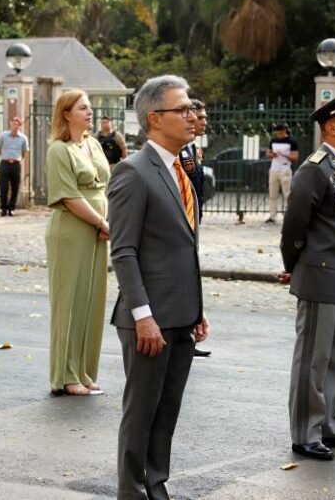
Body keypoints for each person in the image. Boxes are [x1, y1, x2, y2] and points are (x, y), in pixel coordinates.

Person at [108, 74, 210, 500]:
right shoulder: (134, 172)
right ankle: (132, 491)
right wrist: (143, 315)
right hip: (148, 317)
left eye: (191, 109)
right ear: (154, 118)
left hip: (181, 312)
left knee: (167, 410)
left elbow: (182, 247)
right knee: (142, 411)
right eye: (182, 109)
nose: (192, 116)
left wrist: (197, 308)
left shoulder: (182, 167)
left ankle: (156, 483)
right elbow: (124, 252)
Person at [280, 89, 335, 460]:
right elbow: (294, 224)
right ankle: (305, 432)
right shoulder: (314, 169)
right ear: (331, 127)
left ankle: (330, 424)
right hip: (319, 275)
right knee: (312, 360)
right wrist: (293, 266)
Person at [45, 89, 111, 396]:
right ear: (66, 113)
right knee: (69, 302)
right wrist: (100, 221)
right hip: (72, 231)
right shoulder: (58, 149)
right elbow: (69, 197)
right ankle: (65, 374)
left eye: (90, 107)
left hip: (97, 231)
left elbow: (102, 187)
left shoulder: (94, 144)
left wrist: (103, 222)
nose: (90, 112)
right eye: (83, 108)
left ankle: (84, 370)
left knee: (91, 301)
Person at [179, 98, 210, 357]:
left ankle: (190, 332)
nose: (203, 122)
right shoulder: (180, 150)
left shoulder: (194, 149)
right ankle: (185, 333)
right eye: (200, 118)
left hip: (194, 218)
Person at [265, 123, 299, 223]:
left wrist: (284, 154)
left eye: (280, 133)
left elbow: (295, 157)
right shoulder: (273, 141)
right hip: (274, 169)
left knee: (288, 194)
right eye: (277, 133)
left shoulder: (292, 142)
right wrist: (272, 154)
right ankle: (272, 216)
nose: (278, 135)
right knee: (272, 193)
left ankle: (291, 216)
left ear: (284, 131)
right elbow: (268, 153)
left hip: (285, 169)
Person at [0, 116, 29, 216]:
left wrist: (17, 159)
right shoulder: (3, 136)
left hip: (16, 163)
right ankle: (3, 208)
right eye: (14, 123)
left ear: (20, 126)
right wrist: (4, 156)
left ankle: (11, 208)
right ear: (11, 123)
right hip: (5, 163)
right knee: (3, 186)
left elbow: (24, 152)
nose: (15, 126)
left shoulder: (23, 138)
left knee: (15, 186)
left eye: (18, 124)